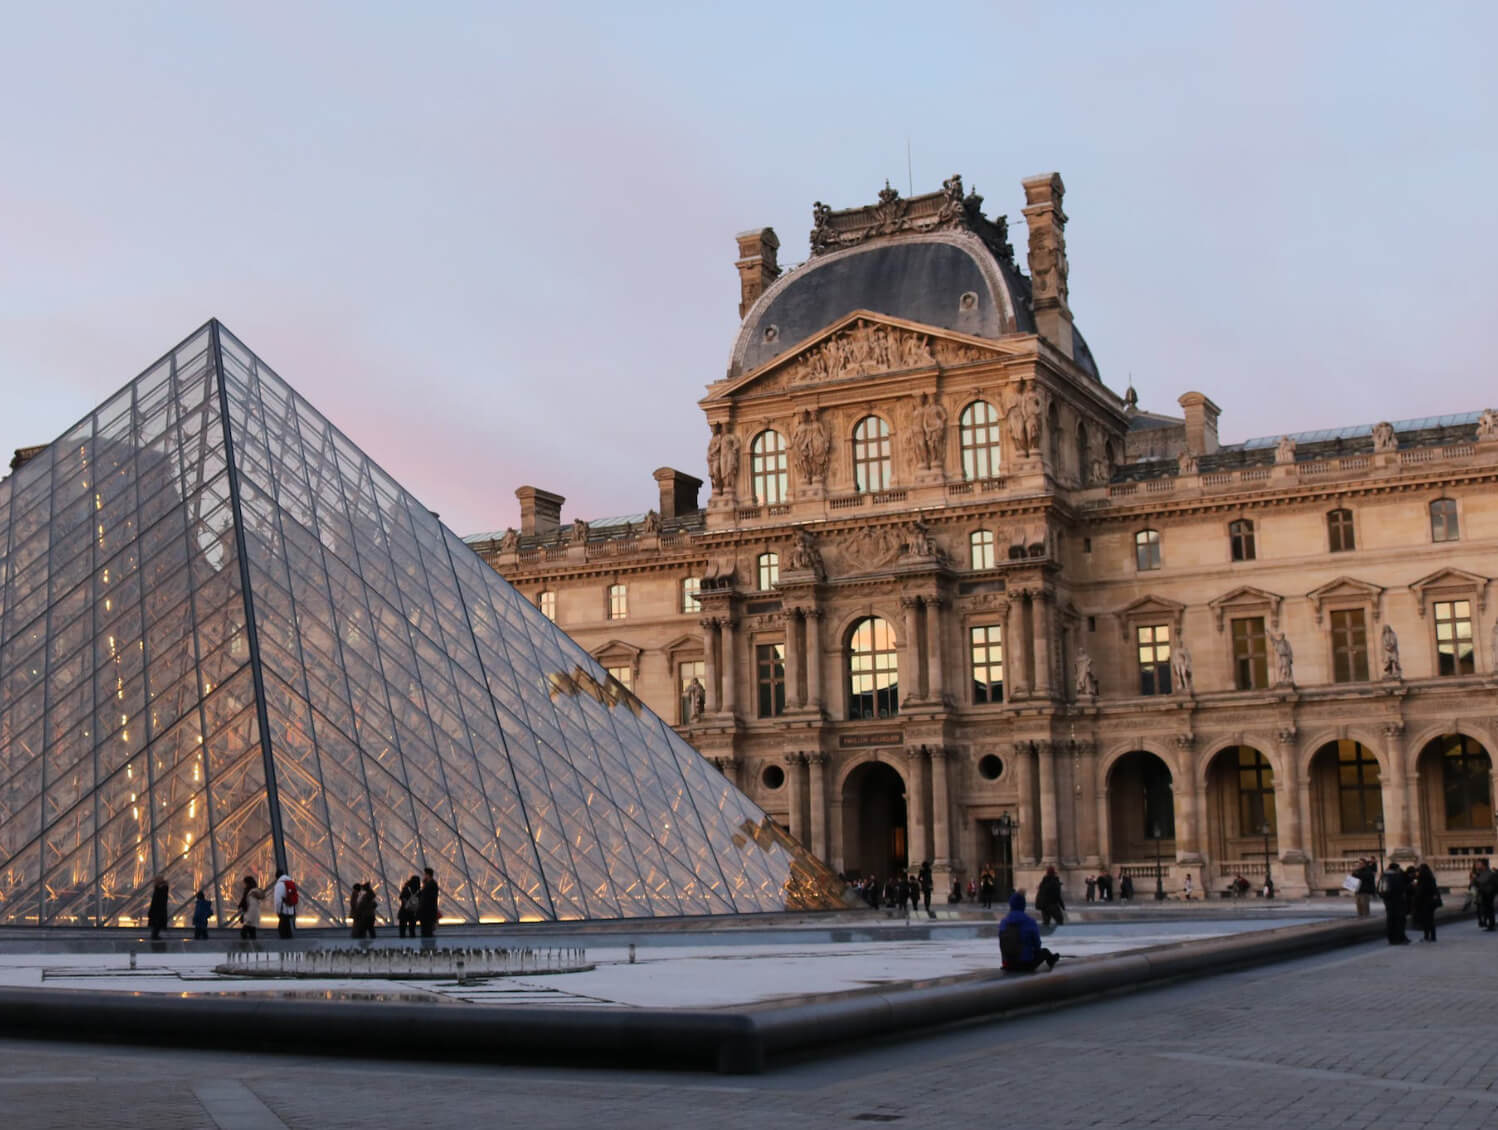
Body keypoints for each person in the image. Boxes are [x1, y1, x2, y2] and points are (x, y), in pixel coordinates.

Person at [997, 891, 1058, 973]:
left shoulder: (1003, 922)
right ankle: (1052, 962)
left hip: (1008, 964)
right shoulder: (1029, 922)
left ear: (1011, 905)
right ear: (1023, 905)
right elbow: (1037, 945)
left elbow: (1002, 943)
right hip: (1026, 964)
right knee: (1045, 951)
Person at [1379, 861, 1411, 945]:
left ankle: (1391, 939)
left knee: (1390, 920)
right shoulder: (1397, 876)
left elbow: (1379, 889)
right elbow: (1404, 884)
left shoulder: (1383, 876)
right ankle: (1400, 938)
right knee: (1399, 920)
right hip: (1398, 902)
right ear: (1397, 868)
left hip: (1387, 901)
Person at [1412, 863, 1440, 942]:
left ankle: (1427, 936)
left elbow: (1420, 892)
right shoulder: (1431, 878)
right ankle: (1433, 936)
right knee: (1431, 920)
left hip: (1424, 902)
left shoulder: (1422, 879)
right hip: (1431, 902)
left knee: (1426, 920)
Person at [236, 875, 265, 941]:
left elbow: (248, 904)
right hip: (254, 915)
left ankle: (246, 947)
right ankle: (253, 947)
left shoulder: (250, 892)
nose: (243, 885)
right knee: (252, 932)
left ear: (247, 883)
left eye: (244, 883)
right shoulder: (254, 891)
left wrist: (246, 916)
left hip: (250, 916)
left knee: (244, 933)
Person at [272, 871, 297, 939]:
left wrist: (277, 910)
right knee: (287, 924)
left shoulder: (279, 885)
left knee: (282, 925)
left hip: (283, 908)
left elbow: (278, 899)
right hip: (290, 907)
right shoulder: (290, 882)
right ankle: (288, 938)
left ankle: (284, 940)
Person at [418, 867, 440, 938]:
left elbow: (427, 898)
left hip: (428, 911)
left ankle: (428, 946)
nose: (424, 876)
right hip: (427, 911)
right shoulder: (430, 884)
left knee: (427, 930)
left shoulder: (432, 884)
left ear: (428, 875)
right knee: (426, 930)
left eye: (425, 874)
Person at [147, 875, 169, 941]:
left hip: (157, 911)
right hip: (159, 911)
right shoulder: (162, 888)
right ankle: (155, 935)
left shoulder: (161, 889)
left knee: (156, 924)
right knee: (157, 924)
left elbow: (155, 901)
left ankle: (154, 935)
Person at [1478, 860, 1498, 932]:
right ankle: (1489, 924)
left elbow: (1481, 881)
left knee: (1489, 909)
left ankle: (1491, 925)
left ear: (1484, 865)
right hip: (1486, 893)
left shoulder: (1488, 872)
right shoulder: (1483, 872)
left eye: (1479, 864)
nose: (1478, 865)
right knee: (1488, 909)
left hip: (1488, 893)